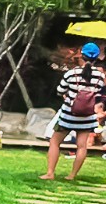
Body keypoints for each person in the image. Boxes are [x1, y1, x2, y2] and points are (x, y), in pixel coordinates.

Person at [41, 42, 106, 181]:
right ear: (96, 58)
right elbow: (97, 91)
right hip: (87, 116)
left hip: (68, 115)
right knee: (82, 146)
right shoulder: (100, 76)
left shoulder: (72, 73)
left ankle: (50, 173)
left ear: (82, 55)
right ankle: (72, 175)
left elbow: (60, 91)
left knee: (54, 142)